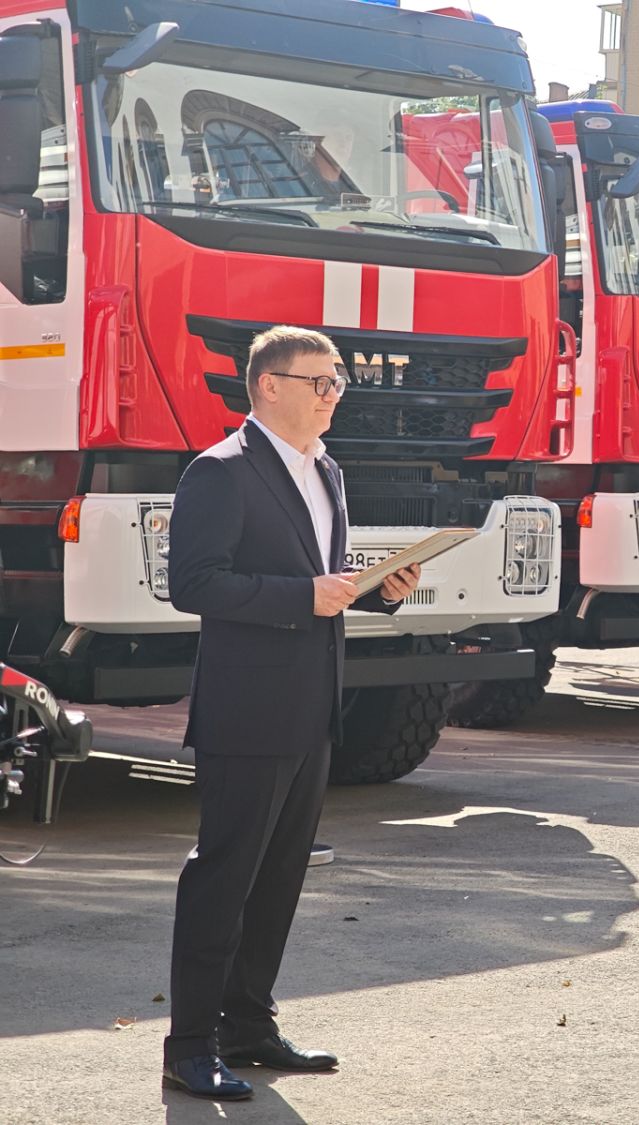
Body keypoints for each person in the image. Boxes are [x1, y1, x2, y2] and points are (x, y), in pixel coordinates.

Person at [161, 326, 421, 1101]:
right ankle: (189, 1044)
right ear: (269, 385)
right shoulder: (220, 472)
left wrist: (376, 590)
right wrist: (303, 596)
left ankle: (248, 1026)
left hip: (312, 709)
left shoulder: (327, 470)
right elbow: (194, 584)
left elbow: (318, 577)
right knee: (224, 876)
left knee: (278, 878)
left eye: (338, 380)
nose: (334, 393)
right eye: (321, 381)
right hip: (246, 711)